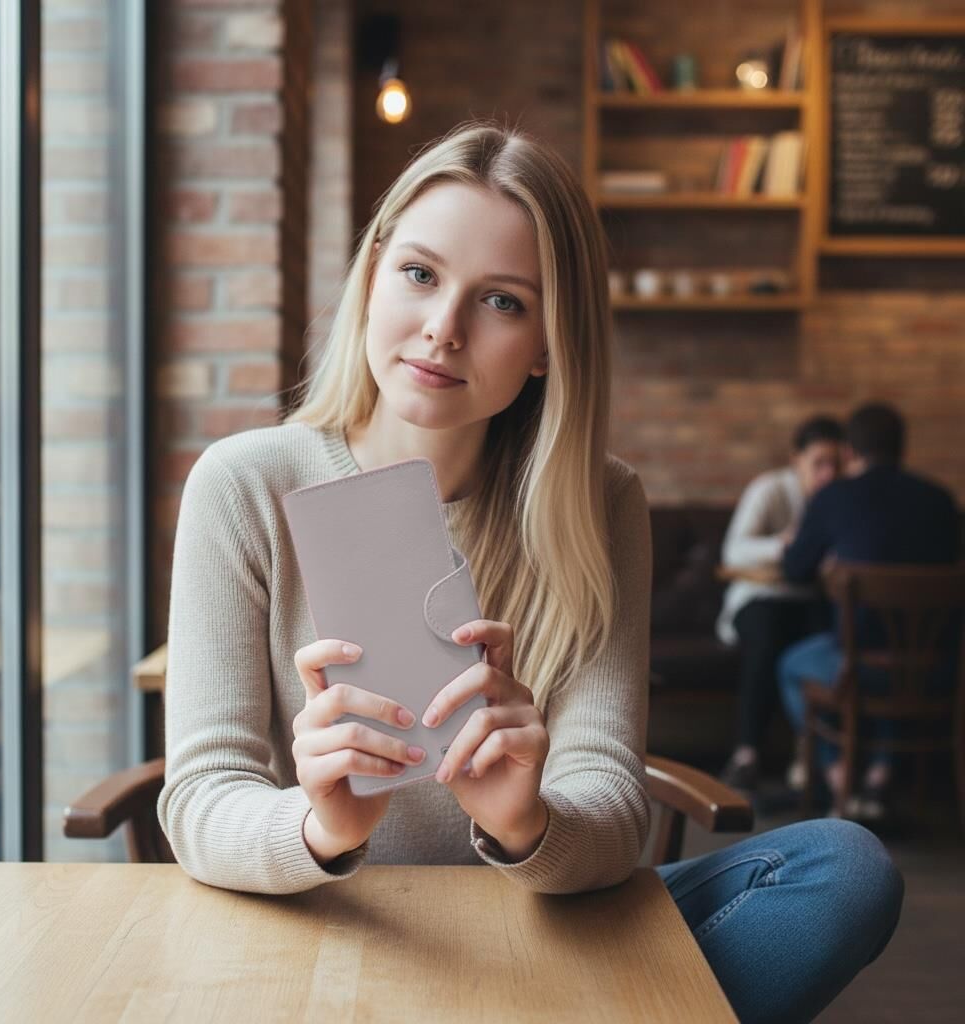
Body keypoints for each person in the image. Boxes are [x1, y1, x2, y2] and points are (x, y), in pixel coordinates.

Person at [156, 121, 903, 1023]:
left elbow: (610, 804)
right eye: (420, 274)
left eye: (502, 302)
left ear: (549, 342)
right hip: (341, 931)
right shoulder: (245, 483)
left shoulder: (598, 502)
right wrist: (319, 827)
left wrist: (528, 822)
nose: (443, 329)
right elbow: (200, 799)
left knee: (845, 870)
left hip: (539, 933)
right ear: (374, 273)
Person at [779, 402, 960, 820]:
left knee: (790, 664)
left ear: (849, 452)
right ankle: (880, 780)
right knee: (894, 651)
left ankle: (840, 781)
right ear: (903, 450)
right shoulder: (941, 501)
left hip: (855, 669)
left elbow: (794, 570)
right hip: (936, 669)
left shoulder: (833, 497)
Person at [717, 416, 844, 795]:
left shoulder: (840, 498)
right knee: (768, 635)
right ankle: (746, 755)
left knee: (831, 639)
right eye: (819, 463)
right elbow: (733, 551)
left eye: (836, 464)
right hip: (759, 599)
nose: (828, 473)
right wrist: (783, 545)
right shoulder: (769, 490)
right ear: (796, 459)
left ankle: (811, 756)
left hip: (810, 601)